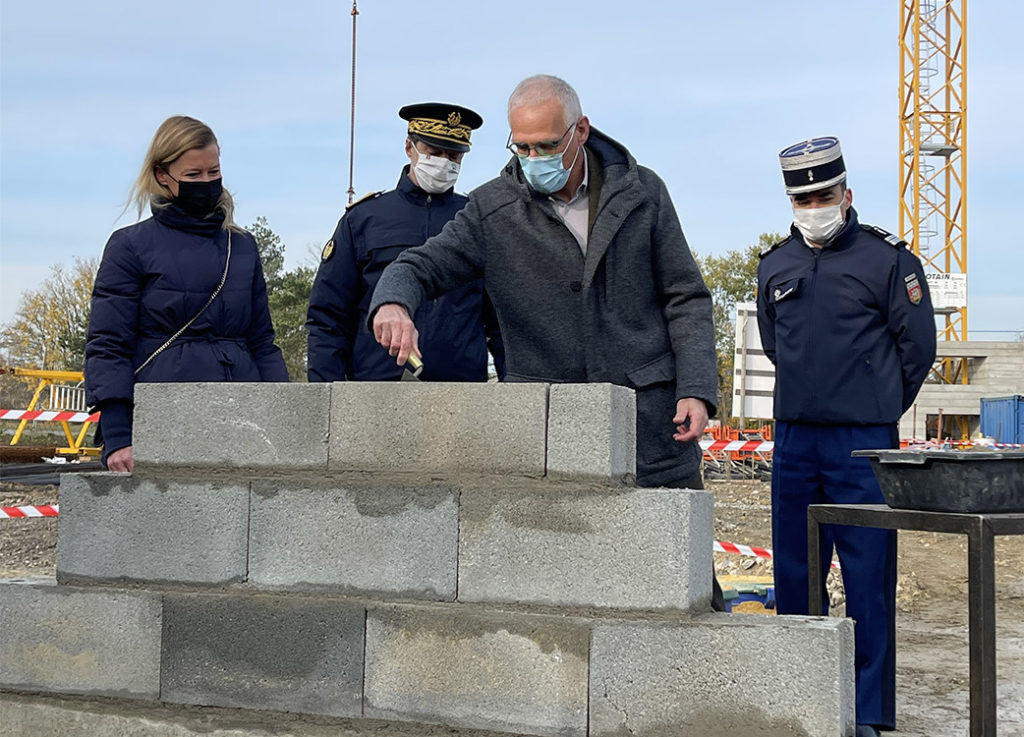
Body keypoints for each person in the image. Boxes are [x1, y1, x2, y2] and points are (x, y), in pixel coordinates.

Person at [368, 75, 724, 608]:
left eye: (547, 145)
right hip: (551, 437)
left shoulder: (642, 192)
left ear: (580, 131)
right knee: (566, 601)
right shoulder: (492, 210)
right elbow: (420, 264)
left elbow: (685, 297)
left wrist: (696, 387)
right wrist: (393, 303)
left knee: (683, 588)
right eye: (522, 146)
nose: (533, 158)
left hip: (652, 428)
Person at [756, 137, 936, 737]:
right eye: (802, 196)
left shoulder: (888, 261)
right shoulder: (775, 264)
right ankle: (804, 700)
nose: (814, 205)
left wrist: (874, 406)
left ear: (847, 194)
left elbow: (918, 350)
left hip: (863, 444)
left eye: (823, 194)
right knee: (795, 574)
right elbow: (775, 346)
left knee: (868, 579)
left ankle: (868, 714)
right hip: (796, 441)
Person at [85, 115, 288, 473]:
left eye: (214, 172)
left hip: (243, 414)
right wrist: (117, 434)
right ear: (163, 175)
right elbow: (108, 345)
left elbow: (261, 340)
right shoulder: (129, 246)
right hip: (162, 416)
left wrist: (284, 415)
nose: (207, 182)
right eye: (194, 175)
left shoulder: (241, 246)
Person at [307, 102, 503, 382]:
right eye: (434, 153)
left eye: (454, 157)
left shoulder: (477, 221)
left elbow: (501, 323)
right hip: (377, 391)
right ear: (410, 147)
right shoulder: (363, 220)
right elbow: (328, 318)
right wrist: (325, 397)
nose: (445, 163)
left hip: (460, 394)